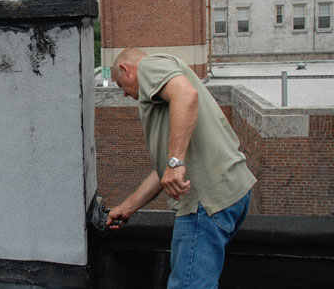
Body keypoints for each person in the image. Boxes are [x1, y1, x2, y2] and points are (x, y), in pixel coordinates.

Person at [106, 48, 256, 289]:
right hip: (231, 193)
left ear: (126, 69)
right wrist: (127, 208)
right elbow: (164, 172)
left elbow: (186, 94)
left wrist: (175, 163)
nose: (124, 94)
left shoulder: (149, 66)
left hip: (205, 203)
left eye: (119, 84)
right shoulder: (165, 100)